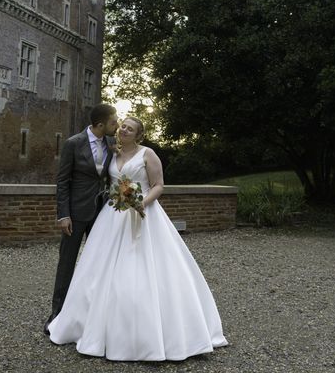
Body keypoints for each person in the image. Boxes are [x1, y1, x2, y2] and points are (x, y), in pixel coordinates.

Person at [47, 117, 228, 361]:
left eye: (130, 129)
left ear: (138, 135)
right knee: (97, 269)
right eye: (122, 126)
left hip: (144, 214)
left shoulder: (148, 154)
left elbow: (158, 185)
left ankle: (151, 335)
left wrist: (140, 203)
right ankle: (87, 324)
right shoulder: (113, 152)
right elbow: (108, 181)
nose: (124, 130)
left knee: (146, 269)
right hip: (112, 216)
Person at [44, 104, 119, 335]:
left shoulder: (110, 144)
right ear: (100, 124)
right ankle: (57, 314)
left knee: (97, 263)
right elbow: (62, 181)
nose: (117, 125)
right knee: (67, 263)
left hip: (101, 212)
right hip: (75, 214)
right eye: (113, 122)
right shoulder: (73, 144)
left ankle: (92, 314)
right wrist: (63, 214)